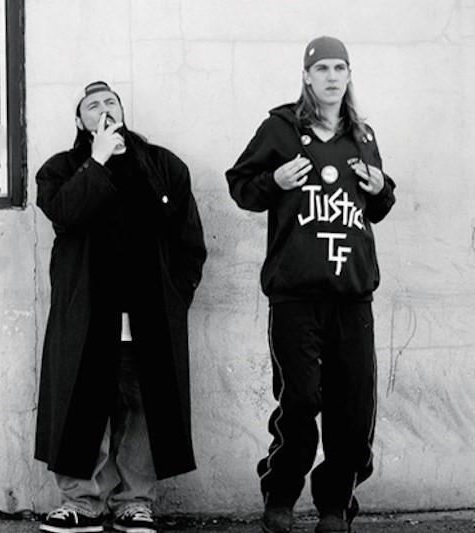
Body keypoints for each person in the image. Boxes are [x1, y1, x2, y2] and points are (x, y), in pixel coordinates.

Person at [225, 37, 396, 533]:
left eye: (339, 67)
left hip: (353, 295)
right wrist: (274, 181)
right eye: (321, 68)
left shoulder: (362, 135)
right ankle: (280, 499)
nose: (331, 76)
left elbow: (377, 207)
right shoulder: (281, 128)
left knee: (354, 408)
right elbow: (241, 186)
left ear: (348, 74)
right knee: (299, 402)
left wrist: (382, 188)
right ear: (306, 76)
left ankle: (335, 507)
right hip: (296, 296)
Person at [34, 81, 207, 533]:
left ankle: (135, 501)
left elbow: (189, 238)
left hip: (149, 315)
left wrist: (177, 294)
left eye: (111, 102)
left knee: (143, 408)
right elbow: (65, 213)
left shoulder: (163, 165)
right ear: (80, 122)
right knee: (81, 407)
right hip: (88, 315)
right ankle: (82, 504)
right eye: (92, 106)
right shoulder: (61, 169)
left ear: (123, 112)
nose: (104, 109)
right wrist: (98, 161)